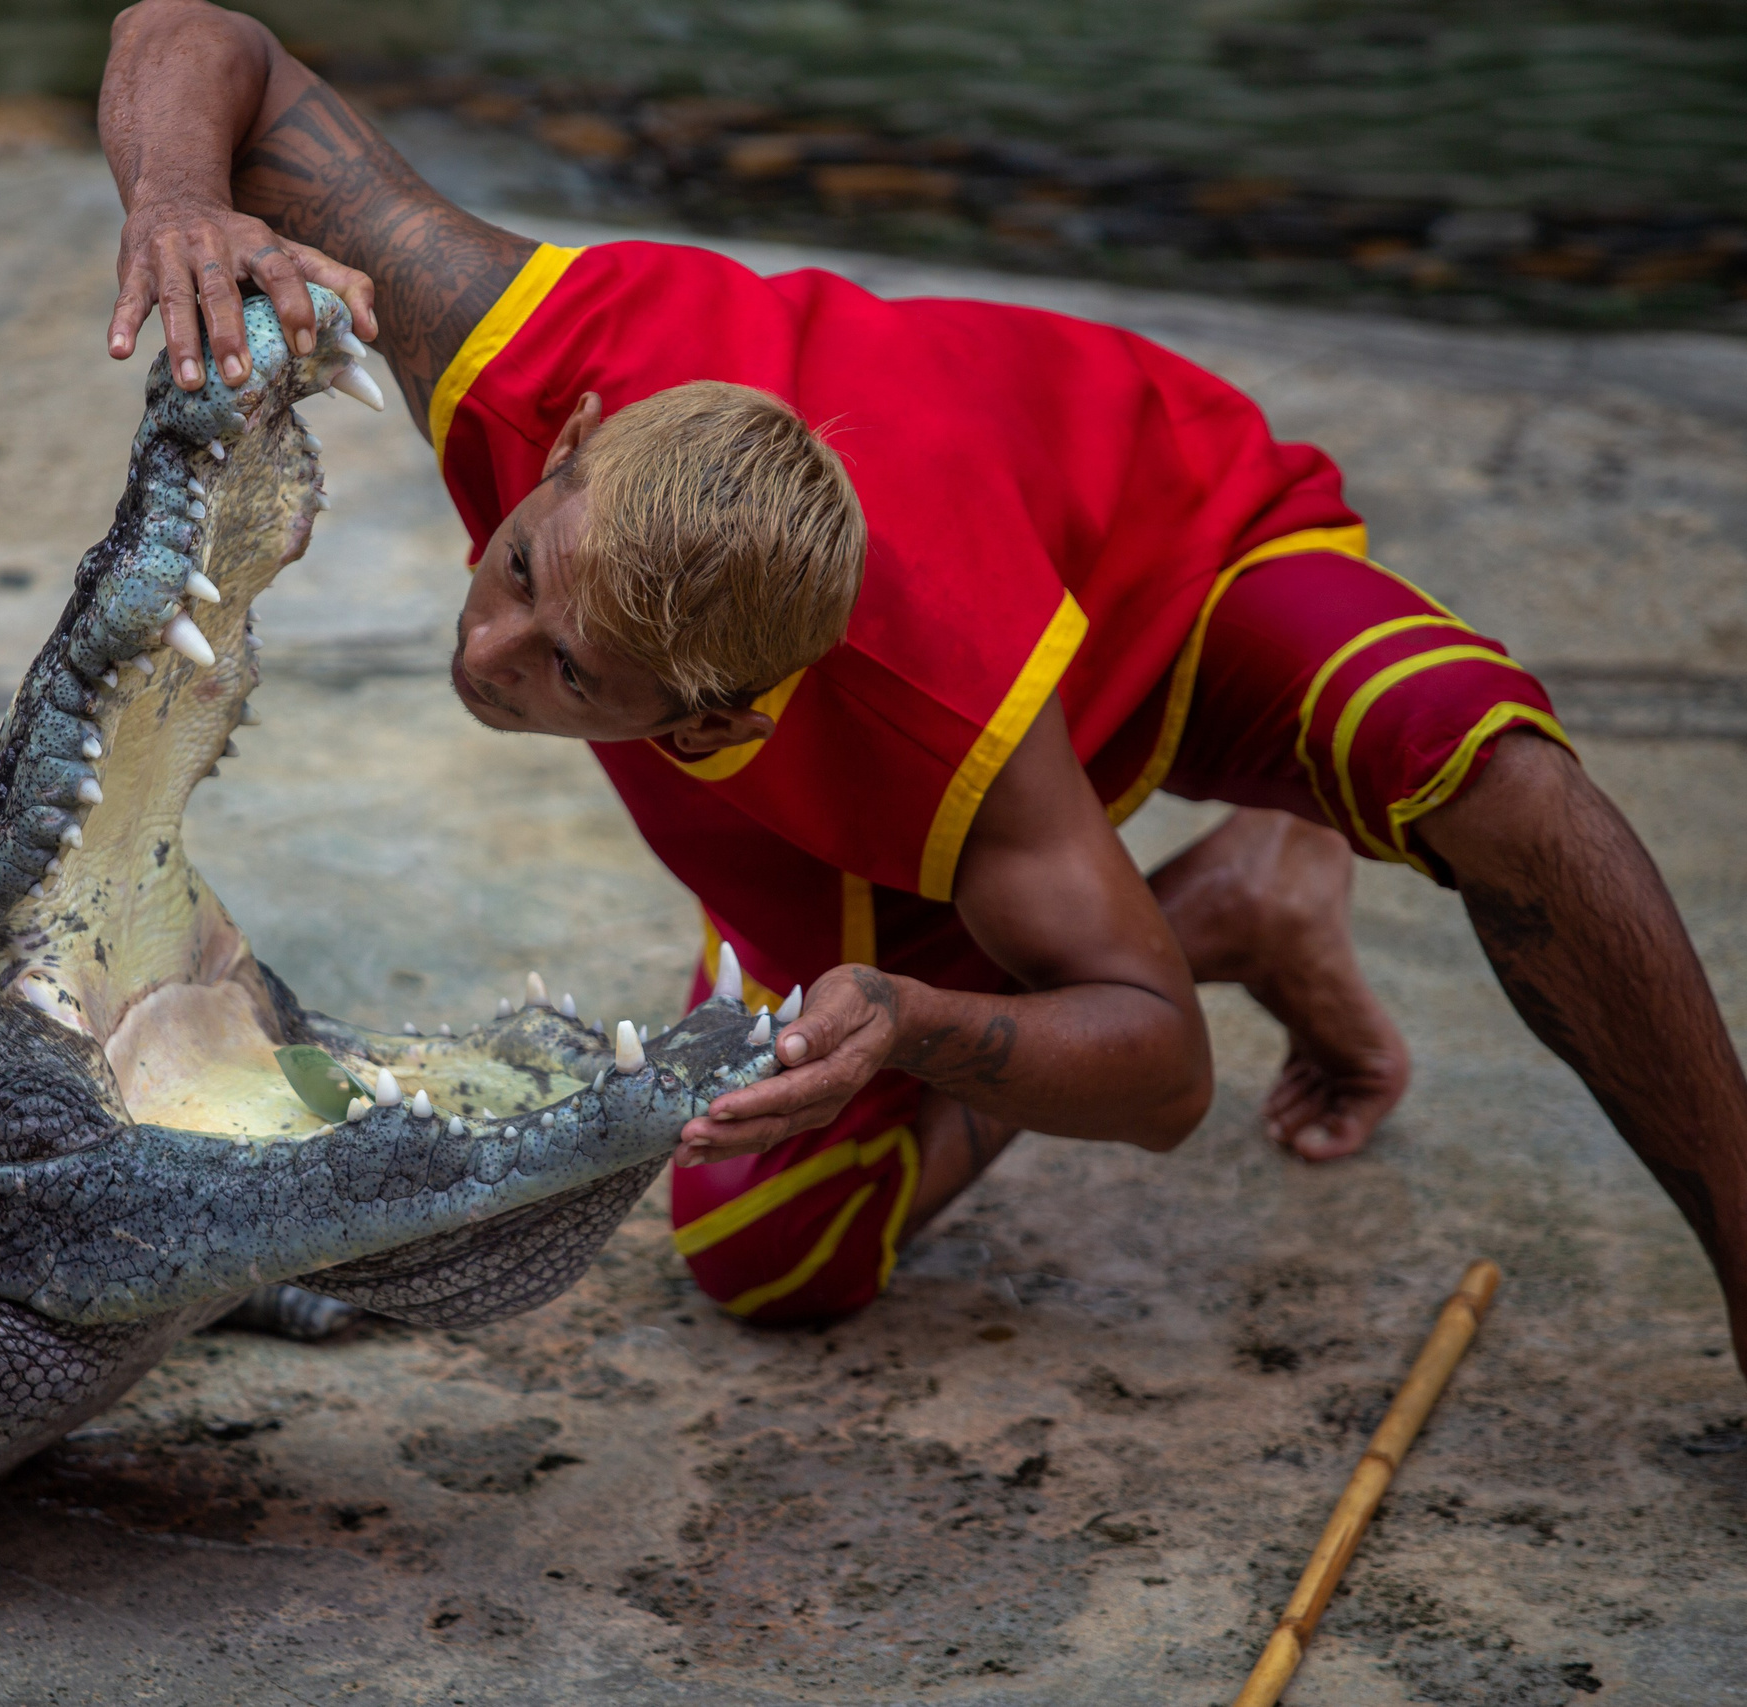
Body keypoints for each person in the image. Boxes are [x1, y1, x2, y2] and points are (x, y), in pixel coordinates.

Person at [94, 0, 1747, 1353]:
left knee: (1500, 778)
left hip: (1172, 558)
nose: (484, 650)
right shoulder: (528, 349)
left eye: (571, 669)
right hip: (926, 703)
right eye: (521, 567)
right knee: (765, 1249)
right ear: (580, 445)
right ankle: (1233, 896)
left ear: (723, 720)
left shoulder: (933, 727)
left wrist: (923, 1022)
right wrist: (174, 199)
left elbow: (1165, 1077)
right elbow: (201, 33)